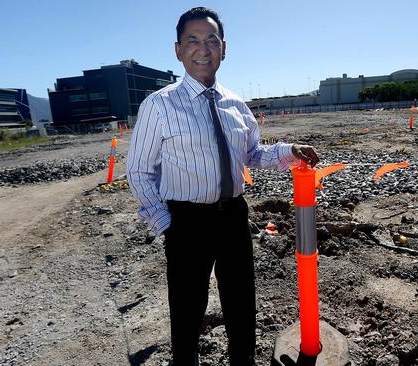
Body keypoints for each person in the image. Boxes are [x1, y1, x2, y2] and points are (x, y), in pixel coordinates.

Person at [126, 7, 319, 366]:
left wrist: (288, 151)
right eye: (193, 41)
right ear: (178, 50)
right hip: (186, 219)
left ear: (224, 48)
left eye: (211, 40)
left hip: (233, 216)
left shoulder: (235, 104)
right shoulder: (159, 106)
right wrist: (166, 224)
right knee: (186, 307)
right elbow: (139, 171)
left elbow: (251, 154)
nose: (204, 49)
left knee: (241, 302)